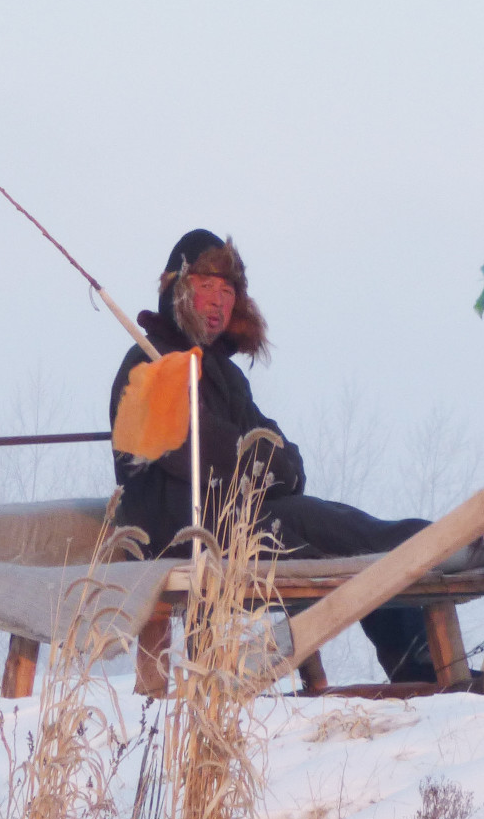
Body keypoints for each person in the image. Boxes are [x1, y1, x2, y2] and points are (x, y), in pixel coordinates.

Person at [109, 229, 447, 683]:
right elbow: (206, 455)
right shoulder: (147, 365)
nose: (219, 301)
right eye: (206, 286)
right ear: (177, 288)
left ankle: (421, 650)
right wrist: (269, 467)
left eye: (228, 291)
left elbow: (279, 454)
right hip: (178, 532)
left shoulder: (224, 375)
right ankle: (441, 561)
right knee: (346, 535)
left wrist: (272, 467)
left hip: (237, 518)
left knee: (345, 525)